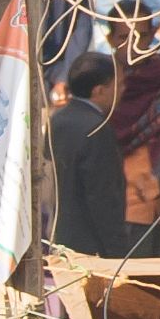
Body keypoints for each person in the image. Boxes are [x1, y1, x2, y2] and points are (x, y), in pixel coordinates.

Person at [50, 52, 135, 259]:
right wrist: (118, 253)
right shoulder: (97, 129)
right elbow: (102, 197)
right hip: (90, 249)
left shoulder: (57, 119)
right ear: (99, 91)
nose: (123, 90)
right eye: (119, 85)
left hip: (58, 240)